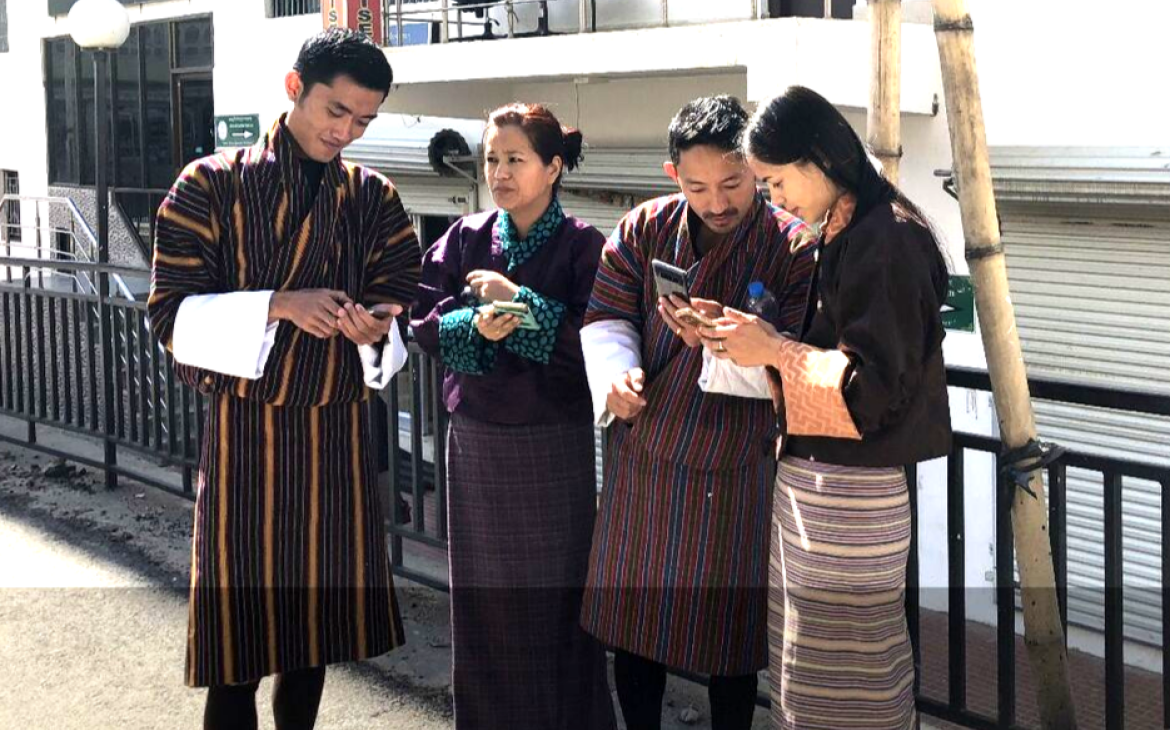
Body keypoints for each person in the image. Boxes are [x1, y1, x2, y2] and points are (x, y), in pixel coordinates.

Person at [147, 28, 420, 730]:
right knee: (235, 650)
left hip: (335, 436)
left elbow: (399, 293)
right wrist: (277, 304)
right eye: (337, 110)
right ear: (295, 87)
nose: (346, 132)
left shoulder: (373, 197)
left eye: (364, 121)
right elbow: (170, 314)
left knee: (314, 642)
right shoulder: (209, 184)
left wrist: (375, 329)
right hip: (247, 440)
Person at [701, 85, 953, 730]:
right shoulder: (848, 229)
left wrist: (774, 349)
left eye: (776, 181)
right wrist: (754, 342)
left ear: (819, 159)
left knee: (852, 674)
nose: (775, 198)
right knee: (811, 668)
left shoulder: (886, 239)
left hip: (853, 496)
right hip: (820, 486)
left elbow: (871, 393)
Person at [578, 95, 816, 730]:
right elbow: (606, 317)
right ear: (672, 175)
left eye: (733, 183)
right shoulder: (644, 227)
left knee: (730, 643)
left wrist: (719, 344)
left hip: (736, 465)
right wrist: (616, 375)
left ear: (755, 168)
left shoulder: (794, 245)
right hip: (645, 457)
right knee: (634, 631)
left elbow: (795, 358)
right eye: (697, 187)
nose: (717, 202)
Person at [410, 102, 615, 730]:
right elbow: (423, 322)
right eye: (492, 159)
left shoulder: (584, 245)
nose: (499, 172)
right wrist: (475, 323)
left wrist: (520, 304)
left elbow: (598, 340)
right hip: (478, 443)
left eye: (515, 159)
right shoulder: (463, 237)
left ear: (552, 168)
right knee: (485, 603)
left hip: (554, 443)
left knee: (560, 600)